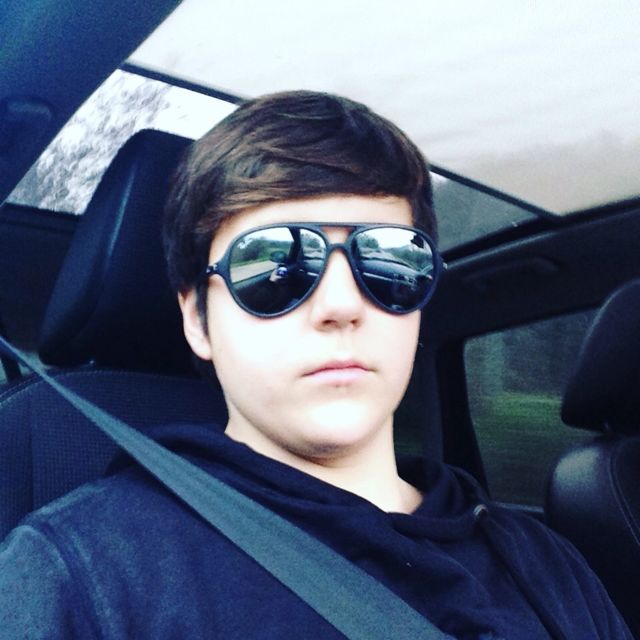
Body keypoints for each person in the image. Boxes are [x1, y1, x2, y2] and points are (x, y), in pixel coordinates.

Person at [0, 91, 631, 639]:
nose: (341, 305)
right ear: (197, 319)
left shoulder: (545, 562)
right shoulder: (80, 572)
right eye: (275, 265)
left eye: (387, 259)